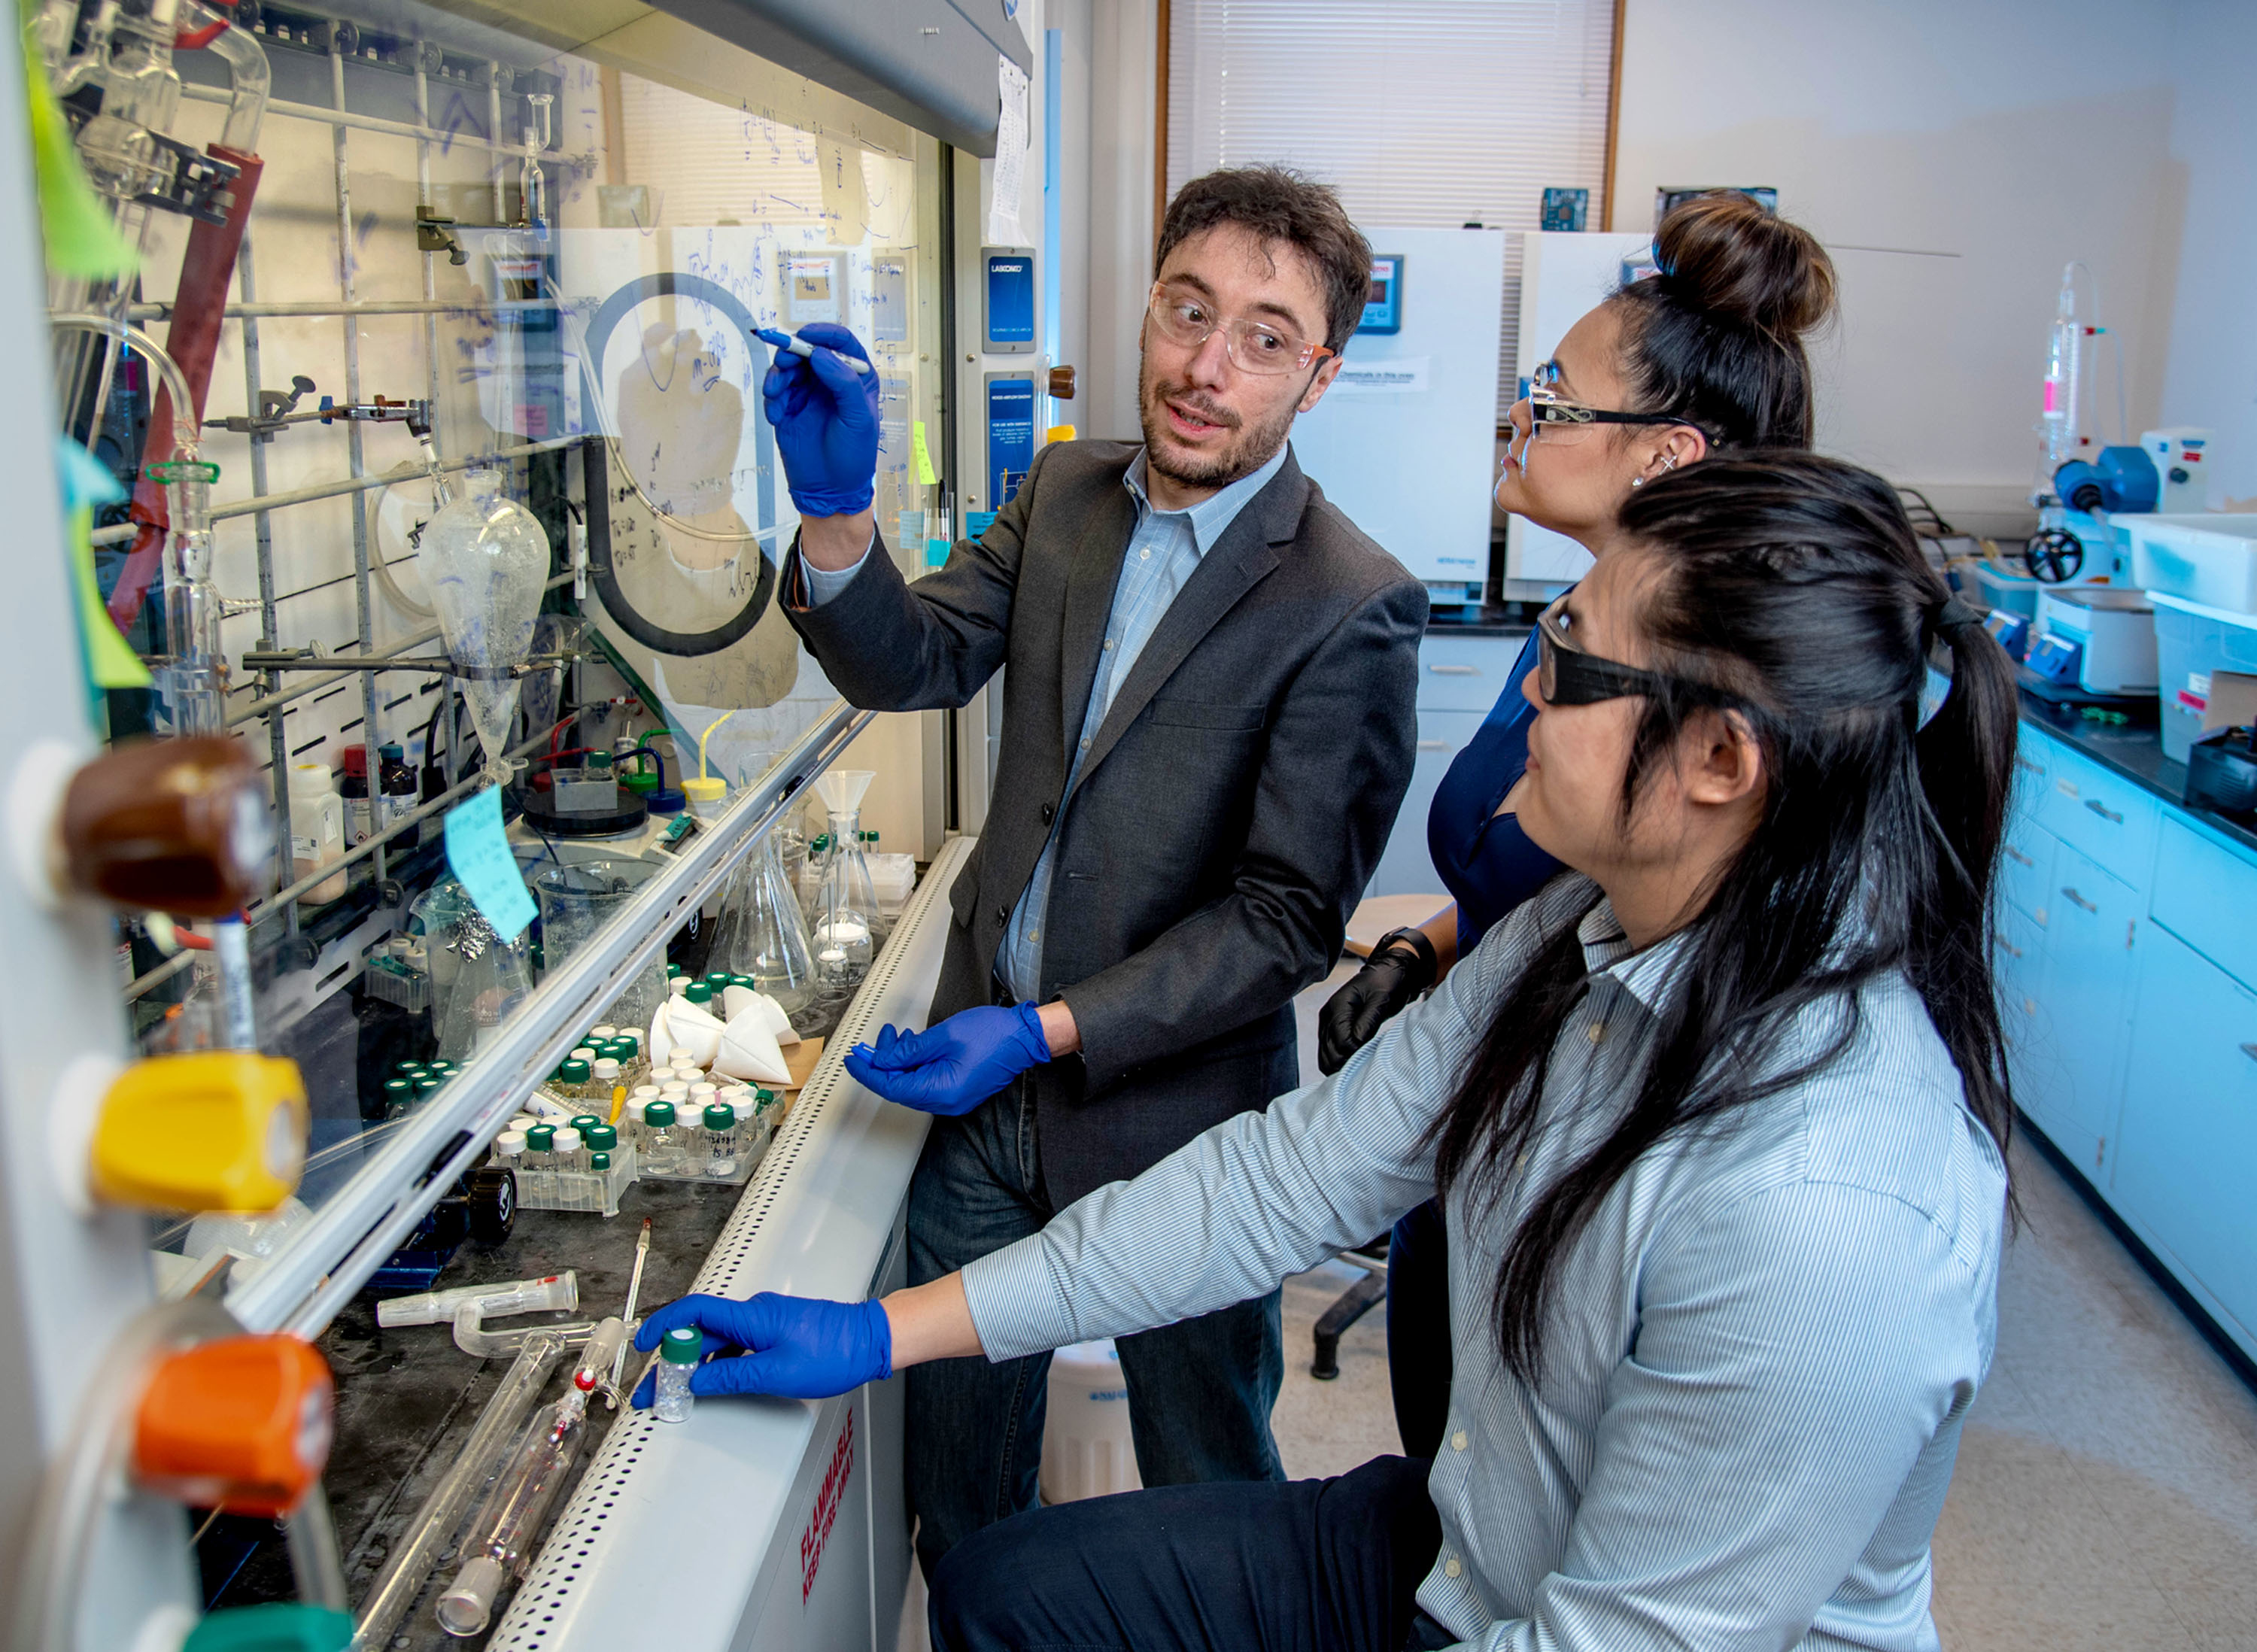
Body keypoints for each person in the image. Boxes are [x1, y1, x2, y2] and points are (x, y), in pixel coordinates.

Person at [631, 451, 2019, 1651]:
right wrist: (880, 1334)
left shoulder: (1831, 1215)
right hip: (1468, 1548)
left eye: (1573, 657)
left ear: (1721, 760)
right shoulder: (1570, 939)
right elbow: (1284, 1180)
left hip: (1567, 1617)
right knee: (1003, 1595)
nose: (1525, 685)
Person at [758, 166, 1427, 1572]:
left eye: (1261, 336)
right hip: (981, 1115)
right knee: (962, 1488)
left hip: (1181, 1129)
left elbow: (1285, 922)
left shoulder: (1349, 601)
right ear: (1147, 305)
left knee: (1209, 1494)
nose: (1203, 366)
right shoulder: (1068, 489)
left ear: (1320, 372)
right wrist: (835, 518)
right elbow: (919, 660)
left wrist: (1045, 1029)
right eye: (1188, 310)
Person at [1319, 191, 1839, 1461]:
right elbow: (1546, 887)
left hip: (1572, 1170)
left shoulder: (1691, 711)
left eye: (1553, 397)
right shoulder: (1577, 627)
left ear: (1665, 455)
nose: (1520, 417)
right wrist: (1424, 954)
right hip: (1479, 1114)